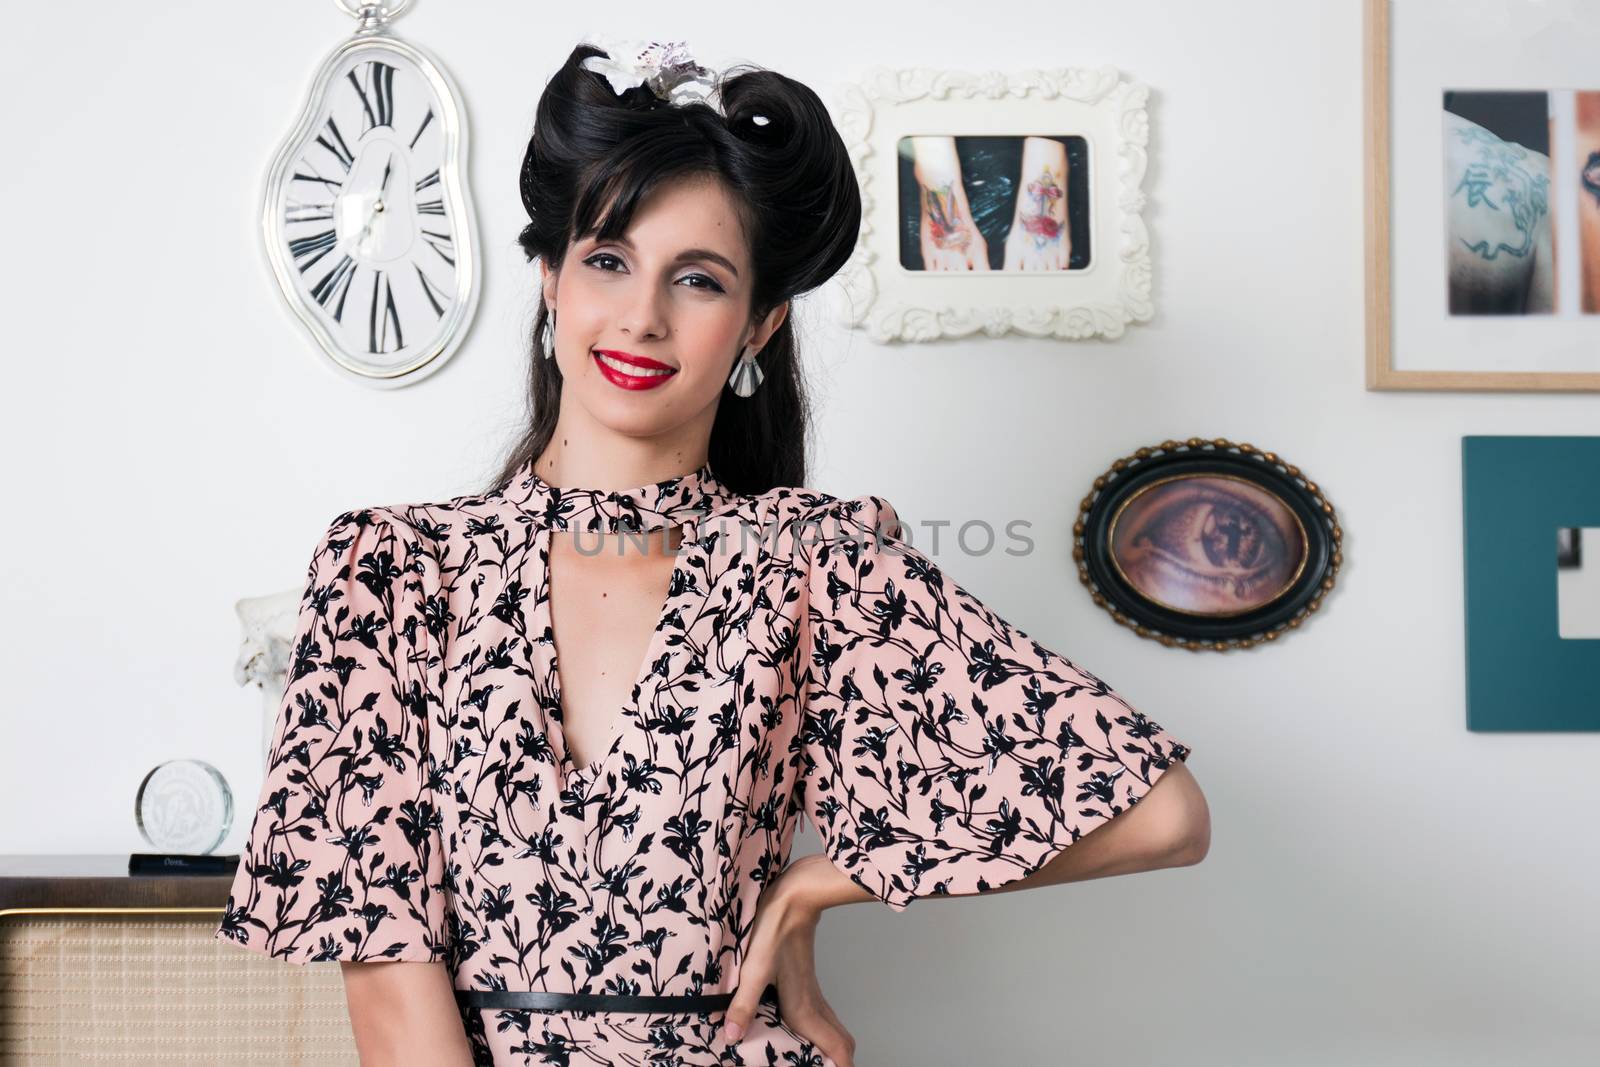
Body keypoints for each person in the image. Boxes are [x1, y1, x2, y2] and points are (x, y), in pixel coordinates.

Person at [214, 38, 1209, 1067]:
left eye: (697, 279)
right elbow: (386, 977)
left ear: (757, 327)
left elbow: (1165, 816)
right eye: (608, 260)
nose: (641, 317)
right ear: (550, 278)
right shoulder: (393, 568)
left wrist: (819, 883)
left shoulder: (815, 565)